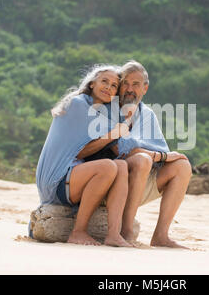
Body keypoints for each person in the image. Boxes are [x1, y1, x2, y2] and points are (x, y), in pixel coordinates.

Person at [79, 61, 192, 248]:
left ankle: (161, 235)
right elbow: (121, 149)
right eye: (125, 84)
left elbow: (160, 152)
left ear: (145, 88)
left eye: (136, 84)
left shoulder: (147, 115)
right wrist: (162, 156)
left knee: (181, 166)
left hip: (137, 183)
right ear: (120, 86)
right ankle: (126, 229)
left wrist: (164, 156)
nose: (130, 89)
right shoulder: (107, 108)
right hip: (107, 181)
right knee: (141, 160)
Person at [35, 64, 132, 247]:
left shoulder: (99, 112)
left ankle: (113, 234)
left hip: (71, 177)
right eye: (104, 81)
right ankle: (78, 232)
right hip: (55, 180)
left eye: (113, 86)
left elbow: (117, 145)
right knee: (108, 166)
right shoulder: (79, 104)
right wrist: (118, 131)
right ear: (92, 83)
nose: (108, 87)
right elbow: (122, 139)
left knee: (121, 166)